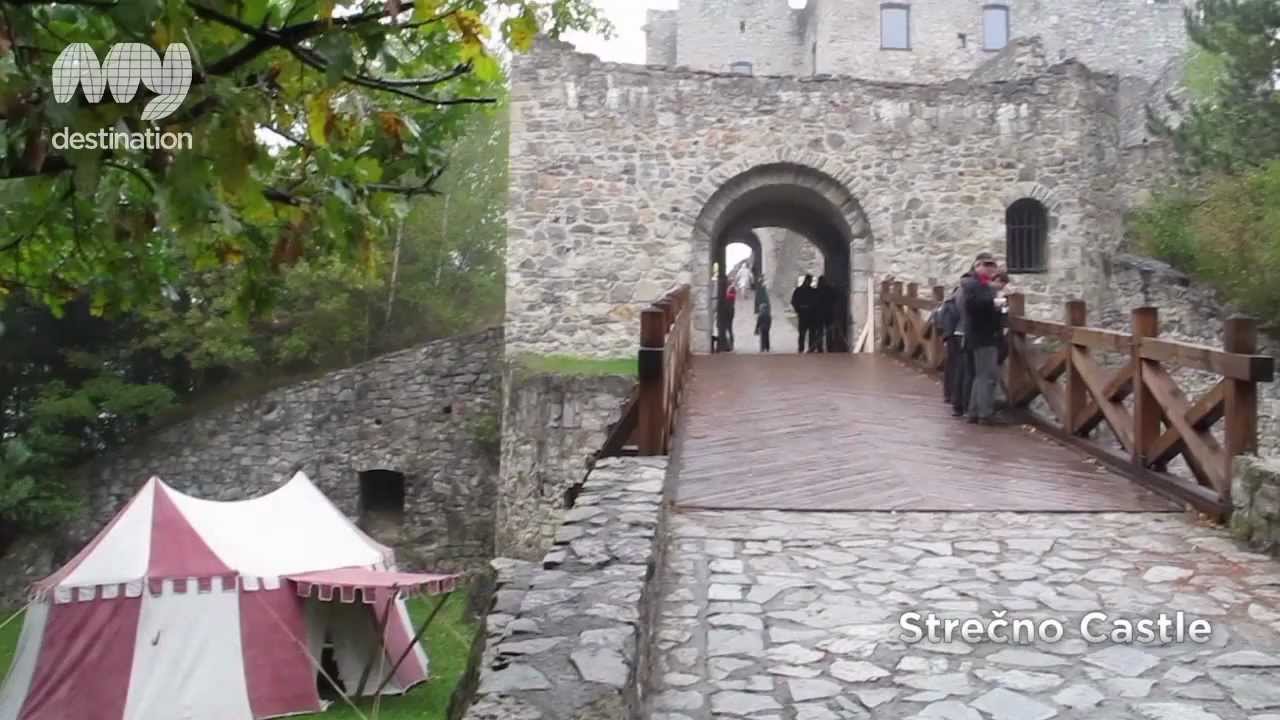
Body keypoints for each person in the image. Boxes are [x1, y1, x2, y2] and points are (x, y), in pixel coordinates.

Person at [961, 254, 1006, 425]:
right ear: (977, 265)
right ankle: (985, 413)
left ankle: (974, 411)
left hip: (981, 335)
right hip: (982, 335)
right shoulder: (973, 283)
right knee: (987, 376)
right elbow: (974, 305)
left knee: (981, 375)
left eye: (992, 265)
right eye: (986, 264)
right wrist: (995, 303)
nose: (990, 268)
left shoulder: (979, 283)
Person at [935, 286, 963, 407]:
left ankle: (950, 394)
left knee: (952, 365)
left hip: (951, 335)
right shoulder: (951, 304)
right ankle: (951, 394)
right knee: (954, 365)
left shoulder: (948, 303)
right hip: (953, 336)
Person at [791, 274, 818, 353]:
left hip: (808, 314)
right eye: (809, 280)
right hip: (805, 314)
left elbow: (794, 302)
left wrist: (798, 309)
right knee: (804, 333)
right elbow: (794, 302)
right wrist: (799, 309)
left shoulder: (800, 290)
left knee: (808, 333)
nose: (809, 282)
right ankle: (804, 348)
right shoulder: (800, 291)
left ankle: (808, 348)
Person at [815, 276, 835, 353]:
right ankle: (826, 347)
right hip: (826, 313)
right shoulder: (829, 290)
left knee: (823, 331)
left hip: (822, 314)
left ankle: (821, 347)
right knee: (824, 331)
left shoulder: (818, 290)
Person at [754, 281, 772, 352]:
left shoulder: (760, 314)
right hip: (767, 327)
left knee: (762, 338)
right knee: (767, 337)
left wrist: (756, 328)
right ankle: (767, 348)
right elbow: (770, 320)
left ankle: (762, 348)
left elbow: (758, 322)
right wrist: (769, 326)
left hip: (762, 327)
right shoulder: (768, 314)